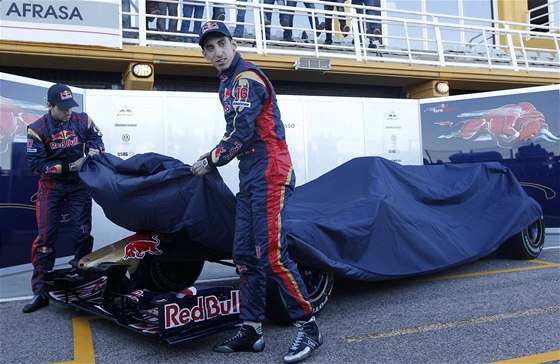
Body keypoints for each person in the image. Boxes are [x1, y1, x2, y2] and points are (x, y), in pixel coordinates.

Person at [191, 21, 323, 363]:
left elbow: (239, 133)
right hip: (250, 173)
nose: (217, 52)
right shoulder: (227, 83)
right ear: (204, 55)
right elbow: (237, 133)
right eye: (210, 48)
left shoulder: (246, 79)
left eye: (222, 44)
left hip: (271, 170)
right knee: (245, 257)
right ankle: (252, 330)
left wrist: (211, 159)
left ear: (233, 45)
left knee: (272, 256)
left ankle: (308, 327)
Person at [22, 83, 105, 313]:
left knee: (82, 233)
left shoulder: (82, 119)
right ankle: (40, 292)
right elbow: (37, 166)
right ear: (49, 106)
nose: (68, 111)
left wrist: (94, 151)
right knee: (46, 239)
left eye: (70, 106)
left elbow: (97, 140)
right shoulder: (36, 129)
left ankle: (84, 283)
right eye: (62, 107)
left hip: (79, 187)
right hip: (52, 188)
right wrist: (71, 166)